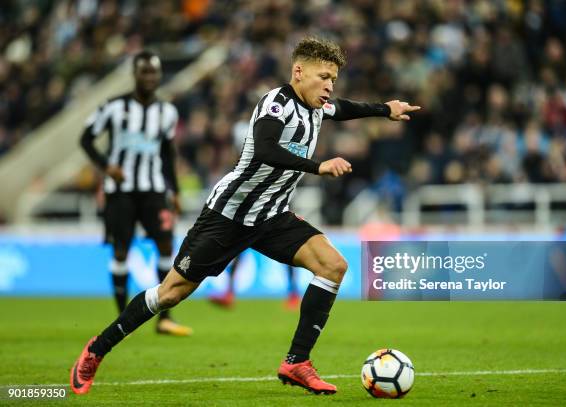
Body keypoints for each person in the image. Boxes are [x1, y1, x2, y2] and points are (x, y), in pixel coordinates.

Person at [70, 37, 420, 395]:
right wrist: (317, 166)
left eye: (333, 78)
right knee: (170, 294)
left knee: (333, 267)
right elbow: (267, 149)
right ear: (298, 72)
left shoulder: (319, 107)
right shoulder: (276, 104)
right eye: (324, 76)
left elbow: (344, 108)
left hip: (272, 216)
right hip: (228, 216)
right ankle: (97, 349)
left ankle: (297, 361)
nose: (330, 86)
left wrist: (384, 109)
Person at [79, 50, 192, 337]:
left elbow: (167, 153)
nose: (150, 77)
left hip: (153, 189)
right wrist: (107, 166)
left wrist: (175, 190)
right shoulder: (113, 107)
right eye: (145, 72)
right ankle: (122, 320)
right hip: (121, 192)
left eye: (154, 72)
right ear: (135, 74)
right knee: (121, 250)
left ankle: (165, 318)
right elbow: (86, 138)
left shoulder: (167, 112)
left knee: (166, 247)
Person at [209, 252, 300, 310]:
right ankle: (229, 295)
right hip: (253, 224)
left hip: (269, 224)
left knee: (287, 255)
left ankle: (293, 295)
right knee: (237, 253)